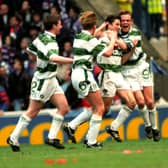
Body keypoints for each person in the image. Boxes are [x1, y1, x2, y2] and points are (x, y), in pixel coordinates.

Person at [63, 14, 137, 143]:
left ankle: (111, 128)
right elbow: (108, 50)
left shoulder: (84, 36)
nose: (119, 27)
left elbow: (125, 47)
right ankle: (82, 133)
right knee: (102, 108)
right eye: (117, 24)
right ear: (109, 25)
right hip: (106, 74)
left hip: (117, 74)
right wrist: (111, 36)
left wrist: (113, 36)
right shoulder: (101, 37)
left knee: (131, 103)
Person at [7, 15, 73, 152]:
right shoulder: (50, 42)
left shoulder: (41, 37)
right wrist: (73, 61)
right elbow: (53, 58)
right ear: (54, 25)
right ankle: (13, 137)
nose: (61, 26)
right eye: (59, 24)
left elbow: (30, 49)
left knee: (64, 107)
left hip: (51, 78)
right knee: (33, 111)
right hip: (43, 80)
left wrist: (40, 59)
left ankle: (52, 137)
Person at [64, 11, 117, 148]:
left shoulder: (79, 36)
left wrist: (101, 27)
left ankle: (72, 126)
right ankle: (91, 141)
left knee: (95, 107)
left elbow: (92, 34)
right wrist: (113, 38)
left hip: (76, 74)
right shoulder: (92, 41)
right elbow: (107, 52)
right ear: (93, 25)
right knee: (100, 108)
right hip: (84, 74)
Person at [119, 10, 160, 141]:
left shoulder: (135, 32)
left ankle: (155, 128)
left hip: (142, 67)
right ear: (120, 22)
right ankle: (148, 126)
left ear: (131, 21)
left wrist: (117, 45)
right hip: (128, 71)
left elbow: (127, 47)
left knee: (150, 101)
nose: (125, 22)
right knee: (140, 102)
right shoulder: (116, 35)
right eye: (123, 20)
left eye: (127, 20)